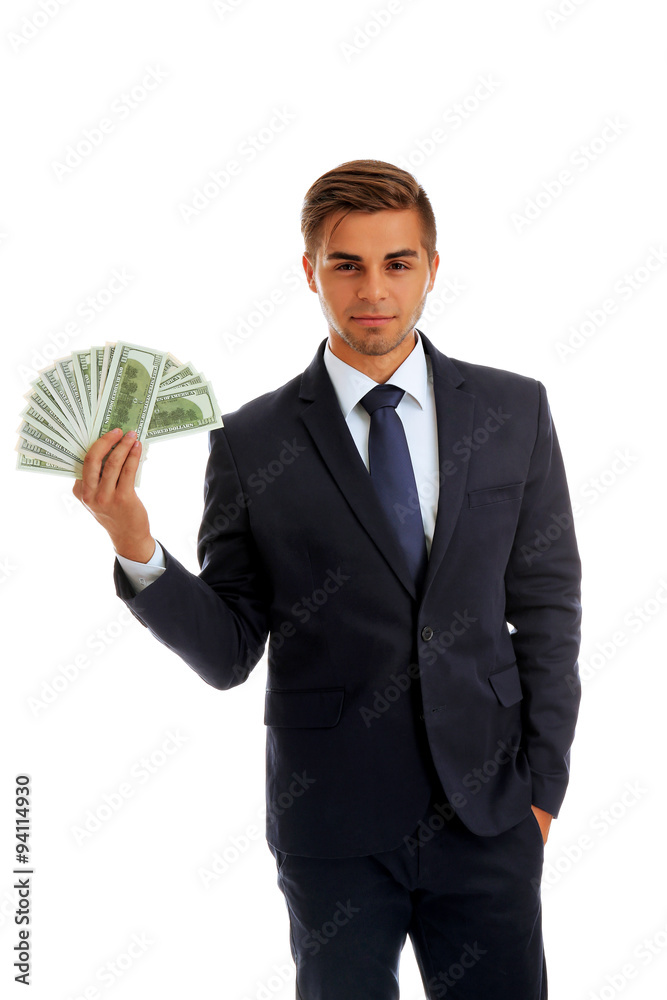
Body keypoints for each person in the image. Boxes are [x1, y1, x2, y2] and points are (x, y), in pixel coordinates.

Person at [74, 159, 582, 999]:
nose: (372, 290)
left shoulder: (513, 411)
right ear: (310, 271)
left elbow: (548, 612)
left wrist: (542, 791)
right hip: (334, 825)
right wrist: (136, 544)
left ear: (431, 269)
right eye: (345, 264)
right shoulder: (251, 440)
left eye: (397, 263)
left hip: (490, 813)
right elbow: (231, 648)